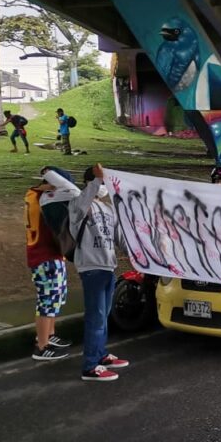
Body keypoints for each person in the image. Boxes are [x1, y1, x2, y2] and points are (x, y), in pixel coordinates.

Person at [61, 163, 129, 382]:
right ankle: (90, 365)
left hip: (108, 267)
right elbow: (83, 202)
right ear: (92, 182)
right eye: (101, 181)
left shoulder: (109, 209)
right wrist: (97, 179)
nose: (104, 185)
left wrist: (140, 257)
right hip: (91, 267)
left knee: (103, 315)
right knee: (96, 316)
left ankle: (100, 354)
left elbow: (120, 239)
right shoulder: (78, 205)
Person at [26, 171, 74, 361]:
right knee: (47, 300)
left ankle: (49, 335)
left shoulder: (34, 194)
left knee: (56, 297)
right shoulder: (45, 199)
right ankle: (41, 345)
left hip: (52, 255)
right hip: (44, 256)